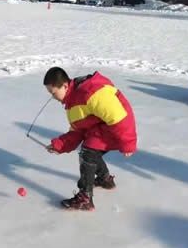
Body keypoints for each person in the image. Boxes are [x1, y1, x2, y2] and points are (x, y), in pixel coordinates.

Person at [43, 67, 137, 211]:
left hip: (116, 127)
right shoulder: (72, 101)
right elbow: (77, 131)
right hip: (102, 127)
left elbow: (118, 117)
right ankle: (105, 179)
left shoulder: (90, 92)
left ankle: (85, 198)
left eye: (53, 92)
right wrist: (59, 145)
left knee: (88, 152)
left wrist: (128, 143)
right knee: (91, 149)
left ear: (65, 86)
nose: (52, 97)